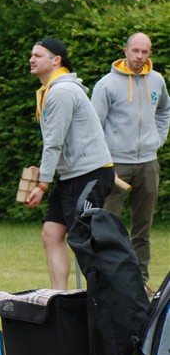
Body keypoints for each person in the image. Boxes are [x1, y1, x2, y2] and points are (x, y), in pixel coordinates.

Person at [23, 37, 115, 290]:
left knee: (84, 240)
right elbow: (61, 142)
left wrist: (43, 184)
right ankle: (59, 298)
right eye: (32, 54)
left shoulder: (62, 91)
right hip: (71, 175)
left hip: (90, 174)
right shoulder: (53, 90)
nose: (32, 59)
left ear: (56, 60)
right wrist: (46, 171)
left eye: (38, 55)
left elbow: (54, 143)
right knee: (51, 234)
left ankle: (105, 297)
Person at [92, 32, 169, 286]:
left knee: (143, 229)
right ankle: (107, 283)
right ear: (125, 51)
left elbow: (165, 110)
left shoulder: (156, 81)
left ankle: (140, 283)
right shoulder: (106, 85)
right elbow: (94, 126)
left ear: (150, 53)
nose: (139, 56)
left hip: (148, 163)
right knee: (107, 226)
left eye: (145, 52)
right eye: (135, 51)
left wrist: (157, 140)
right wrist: (104, 161)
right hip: (114, 165)